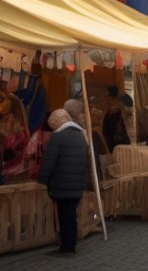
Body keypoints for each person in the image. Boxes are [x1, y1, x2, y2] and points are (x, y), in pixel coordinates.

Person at [38, 109, 87, 256]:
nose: (53, 129)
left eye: (53, 126)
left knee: (65, 216)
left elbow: (49, 162)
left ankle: (67, 247)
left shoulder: (58, 137)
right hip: (76, 184)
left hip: (62, 185)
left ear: (57, 122)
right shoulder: (80, 136)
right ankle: (70, 244)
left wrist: (42, 180)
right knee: (70, 215)